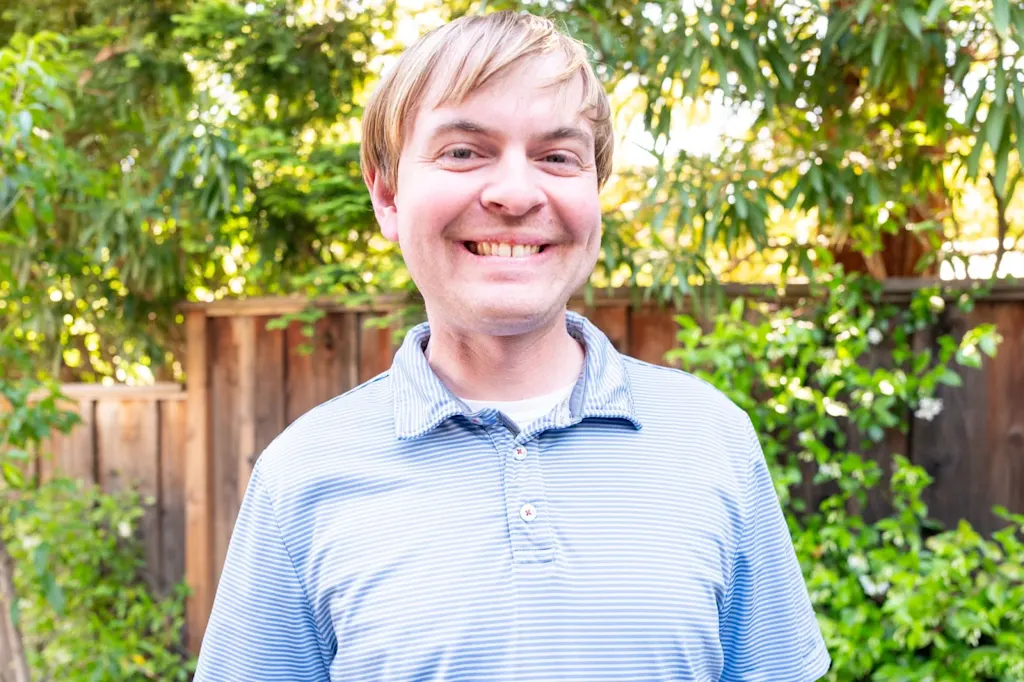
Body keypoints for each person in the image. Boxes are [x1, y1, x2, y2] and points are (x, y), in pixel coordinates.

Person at [193, 10, 831, 681]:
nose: (517, 194)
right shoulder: (301, 475)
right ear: (387, 196)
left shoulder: (712, 439)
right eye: (463, 151)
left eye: (557, 157)